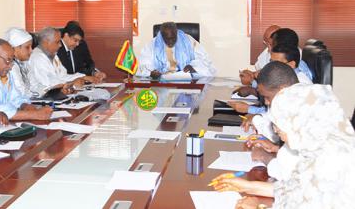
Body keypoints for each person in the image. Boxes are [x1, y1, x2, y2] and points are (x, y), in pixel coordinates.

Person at [212, 83, 355, 209]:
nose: (275, 130)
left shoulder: (333, 161)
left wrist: (258, 207)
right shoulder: (320, 148)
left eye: (280, 122)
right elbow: (296, 190)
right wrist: (247, 186)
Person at [0, 38, 52, 120]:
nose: (10, 67)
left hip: (2, 124)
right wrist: (35, 115)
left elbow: (15, 96)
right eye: (8, 60)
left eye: (12, 61)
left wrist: (25, 106)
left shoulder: (3, 70)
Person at [229, 44, 312, 114]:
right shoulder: (282, 77)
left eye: (276, 63)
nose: (272, 66)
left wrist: (250, 110)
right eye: (271, 62)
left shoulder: (300, 85)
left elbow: (283, 115)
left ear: (291, 64)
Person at [29, 27, 100, 93]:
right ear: (46, 42)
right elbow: (48, 84)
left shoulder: (53, 55)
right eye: (57, 42)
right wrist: (72, 84)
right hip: (44, 99)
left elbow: (63, 75)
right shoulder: (37, 58)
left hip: (58, 94)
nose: (60, 45)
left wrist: (83, 77)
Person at [137, 22, 216, 78]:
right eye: (167, 39)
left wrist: (193, 67)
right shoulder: (152, 45)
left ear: (177, 33)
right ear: (161, 36)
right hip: (162, 84)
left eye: (173, 38)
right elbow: (144, 65)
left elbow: (204, 60)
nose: (170, 42)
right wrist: (151, 73)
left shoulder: (188, 41)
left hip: (186, 82)